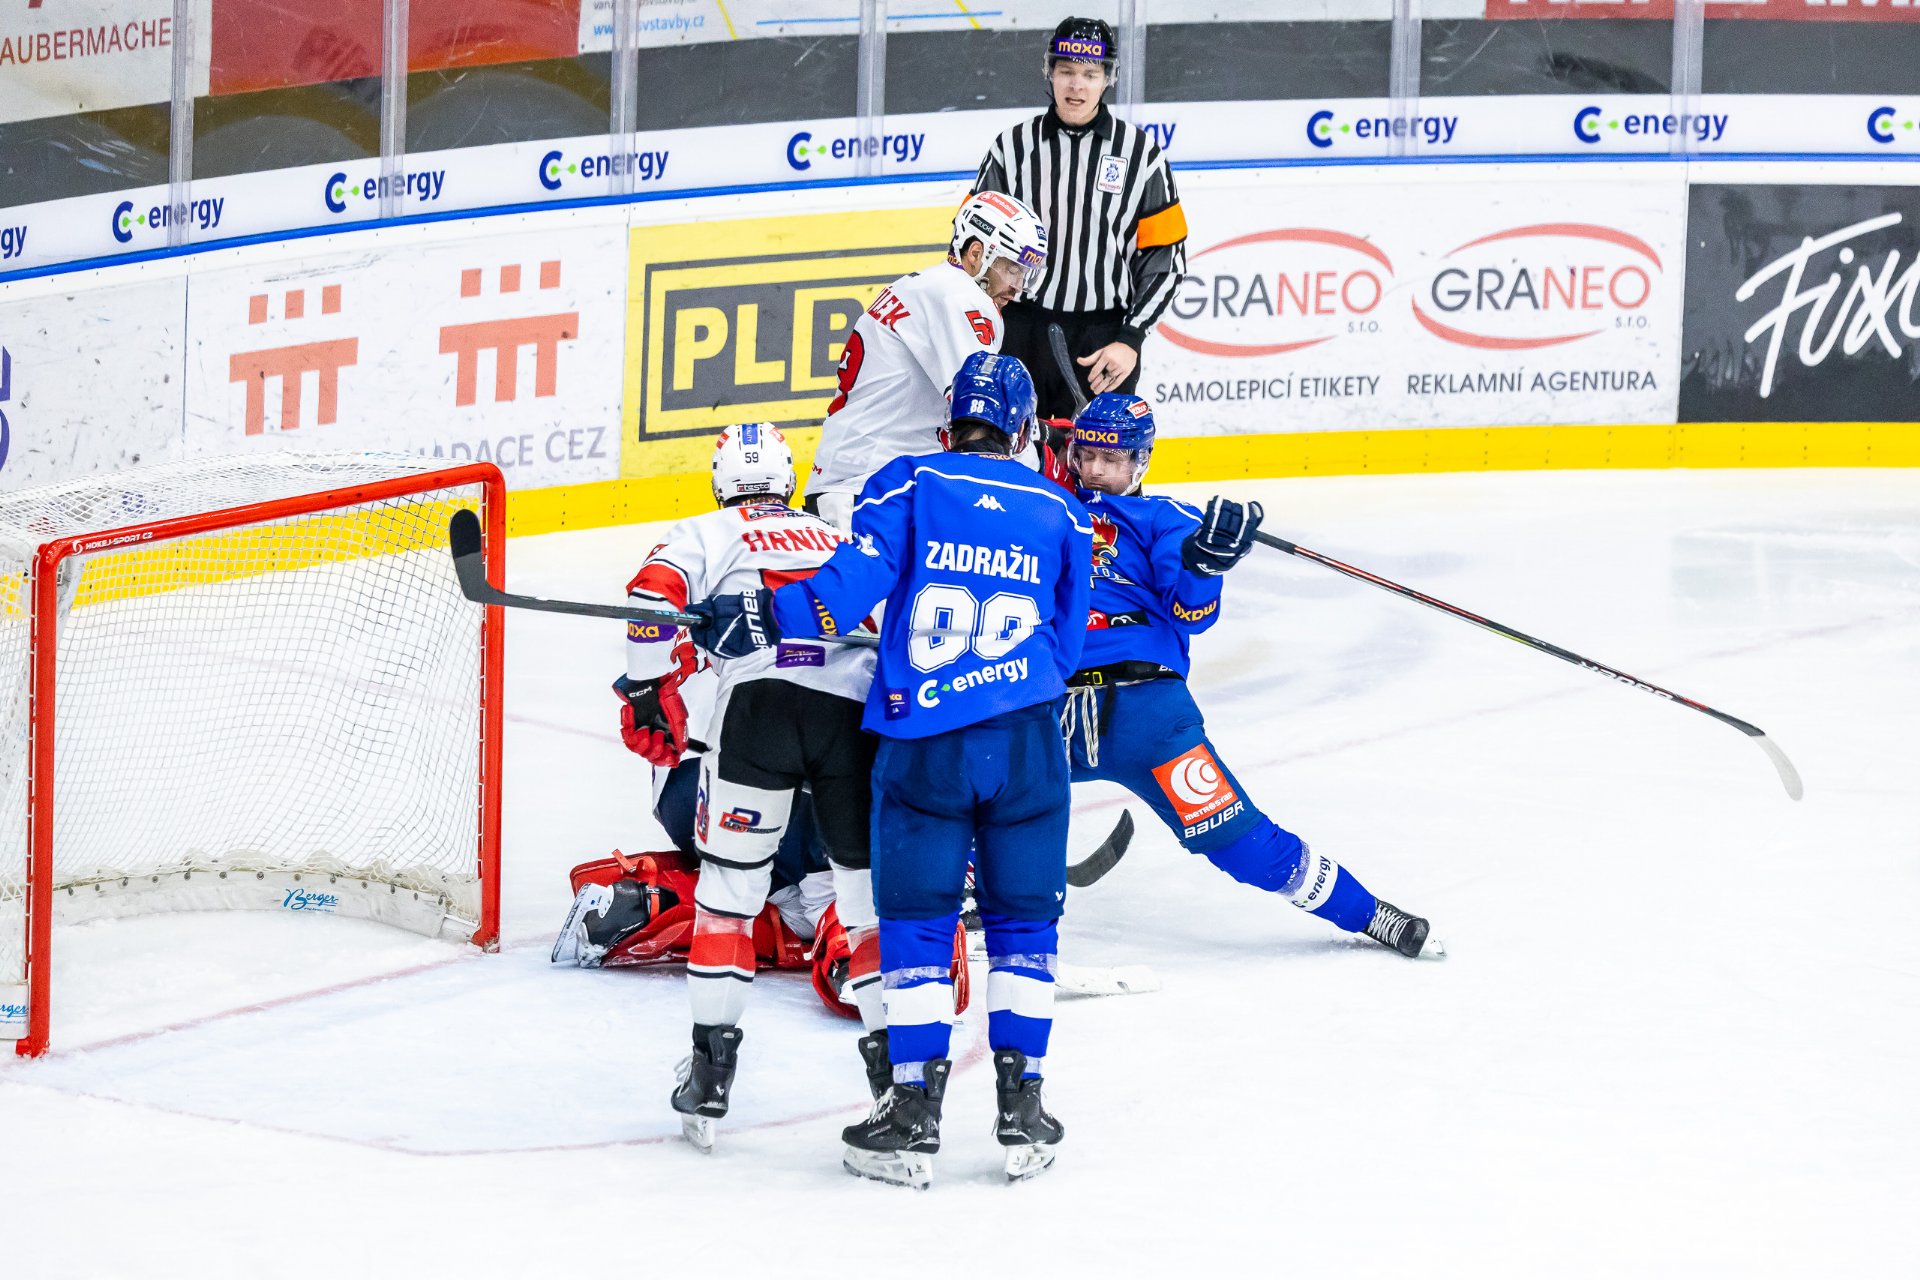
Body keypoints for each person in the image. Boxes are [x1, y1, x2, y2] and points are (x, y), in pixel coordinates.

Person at [687, 352, 1092, 1188]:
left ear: (948, 425)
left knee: (915, 924)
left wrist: (762, 613)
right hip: (1026, 744)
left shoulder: (908, 483)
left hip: (927, 744)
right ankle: (1023, 1108)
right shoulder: (1062, 509)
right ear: (1022, 430)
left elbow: (840, 594)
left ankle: (912, 1112)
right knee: (1024, 927)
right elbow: (1068, 643)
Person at [589, 421, 886, 1152]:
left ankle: (709, 1078)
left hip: (758, 715)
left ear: (720, 484)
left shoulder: (707, 530)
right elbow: (892, 622)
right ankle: (896, 1090)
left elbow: (651, 597)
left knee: (727, 896)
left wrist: (647, 689)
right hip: (852, 718)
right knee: (868, 909)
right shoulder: (835, 536)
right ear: (789, 481)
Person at [1059, 393, 1438, 957]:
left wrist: (1203, 566)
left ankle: (1370, 913)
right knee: (960, 796)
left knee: (1241, 842)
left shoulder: (1166, 519)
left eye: (1111, 459)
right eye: (1086, 455)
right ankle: (976, 913)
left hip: (1147, 714)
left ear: (1141, 461)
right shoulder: (1046, 504)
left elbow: (1193, 614)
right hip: (1046, 706)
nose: (1094, 470)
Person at [971, 16, 1188, 419]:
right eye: (1067, 71)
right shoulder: (1011, 148)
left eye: (1090, 74)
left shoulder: (1142, 156)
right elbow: (972, 245)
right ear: (1049, 72)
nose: (1077, 85)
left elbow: (1167, 262)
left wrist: (1131, 339)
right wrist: (985, 321)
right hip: (1019, 332)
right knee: (1012, 450)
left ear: (1108, 78)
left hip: (1104, 343)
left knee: (1100, 455)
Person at [805, 189, 1050, 529]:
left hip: (860, 482)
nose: (1018, 286)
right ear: (976, 253)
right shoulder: (961, 297)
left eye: (1024, 273)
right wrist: (1040, 466)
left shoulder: (929, 286)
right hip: (870, 491)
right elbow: (983, 404)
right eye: (1011, 269)